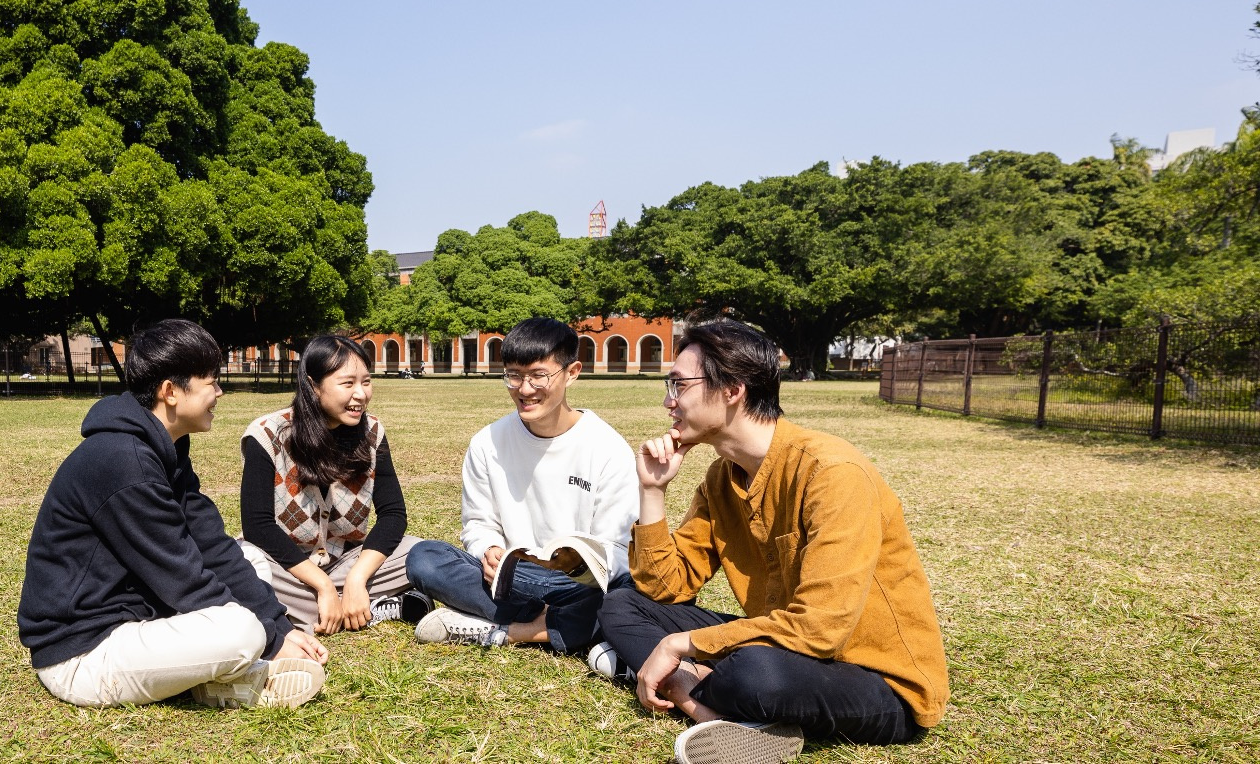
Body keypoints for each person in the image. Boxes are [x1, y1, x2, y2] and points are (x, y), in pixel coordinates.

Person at [592, 320, 948, 764]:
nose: (669, 401)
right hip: (783, 644)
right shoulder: (722, 477)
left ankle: (688, 688)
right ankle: (703, 703)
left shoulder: (831, 473)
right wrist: (652, 492)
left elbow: (820, 630)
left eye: (679, 385)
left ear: (732, 390)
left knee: (755, 673)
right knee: (622, 604)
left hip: (875, 679)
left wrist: (677, 645)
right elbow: (664, 588)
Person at [17, 319, 329, 709]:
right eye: (211, 382)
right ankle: (235, 674)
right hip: (83, 654)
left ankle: (221, 675)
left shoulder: (164, 448)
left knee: (249, 557)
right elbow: (182, 577)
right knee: (242, 631)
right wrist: (272, 639)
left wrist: (280, 626)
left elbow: (212, 546)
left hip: (136, 620)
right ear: (170, 392)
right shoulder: (123, 461)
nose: (220, 392)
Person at [405, 317, 639, 654]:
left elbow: (618, 549)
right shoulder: (487, 443)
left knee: (629, 590)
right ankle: (559, 625)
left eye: (538, 376)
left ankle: (509, 630)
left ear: (572, 372)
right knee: (424, 558)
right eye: (514, 376)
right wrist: (488, 549)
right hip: (509, 579)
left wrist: (574, 565)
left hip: (577, 585)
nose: (524, 389)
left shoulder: (607, 447)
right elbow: (478, 524)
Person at [237, 336, 433, 635]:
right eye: (347, 383)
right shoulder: (267, 435)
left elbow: (393, 515)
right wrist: (323, 585)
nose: (361, 394)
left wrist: (356, 578)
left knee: (422, 552)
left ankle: (327, 607)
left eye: (366, 382)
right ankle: (365, 607)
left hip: (346, 563)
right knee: (241, 564)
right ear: (314, 386)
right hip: (287, 569)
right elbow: (258, 527)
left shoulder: (372, 432)